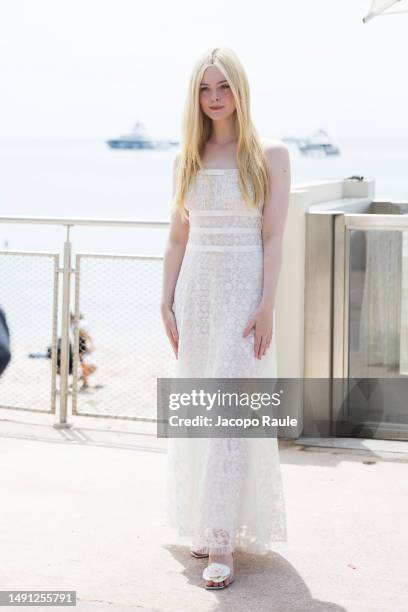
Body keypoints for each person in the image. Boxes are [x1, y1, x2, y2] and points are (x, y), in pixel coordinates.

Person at [161, 47, 291, 590]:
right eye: (205, 90)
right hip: (197, 296)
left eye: (223, 87)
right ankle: (204, 520)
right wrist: (164, 300)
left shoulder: (271, 155)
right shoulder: (185, 158)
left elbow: (274, 233)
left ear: (240, 90)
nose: (215, 98)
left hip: (243, 298)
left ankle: (221, 544)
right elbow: (177, 235)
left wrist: (267, 305)